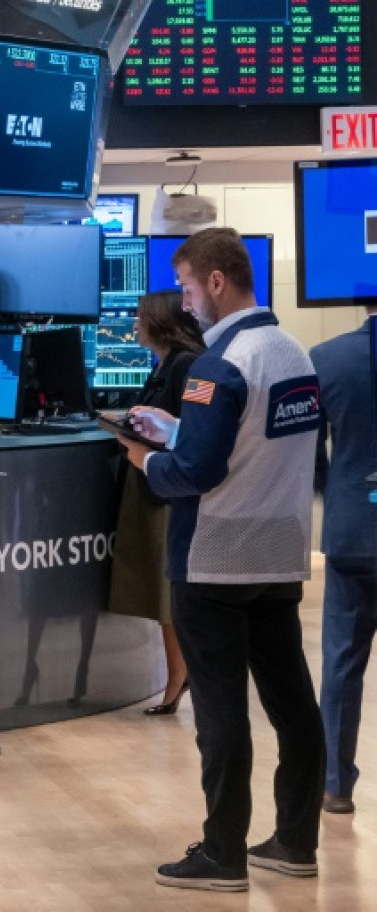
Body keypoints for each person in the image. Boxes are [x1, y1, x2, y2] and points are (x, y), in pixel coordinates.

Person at [118, 228, 325, 892]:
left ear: (214, 282)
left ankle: (223, 853)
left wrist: (149, 457)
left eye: (185, 288)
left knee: (221, 710)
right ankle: (295, 841)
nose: (183, 305)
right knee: (293, 703)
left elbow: (198, 474)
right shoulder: (294, 353)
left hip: (213, 561)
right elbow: (256, 445)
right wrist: (176, 428)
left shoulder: (218, 365)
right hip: (277, 554)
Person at [106, 291, 204, 715]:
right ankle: (177, 675)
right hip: (151, 484)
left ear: (162, 323)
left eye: (141, 317)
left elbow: (186, 429)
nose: (134, 325)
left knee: (168, 593)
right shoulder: (164, 364)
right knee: (162, 592)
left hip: (165, 490)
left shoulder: (185, 364)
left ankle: (179, 677)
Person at [311, 306, 377, 815]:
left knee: (341, 661)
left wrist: (337, 492)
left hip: (353, 527)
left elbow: (311, 457)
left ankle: (335, 785)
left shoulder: (326, 358)